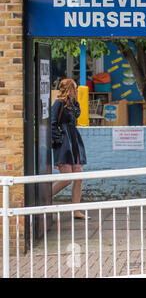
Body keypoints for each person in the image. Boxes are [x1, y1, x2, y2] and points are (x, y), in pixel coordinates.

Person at [51, 79, 88, 220]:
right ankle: (43, 199)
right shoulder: (58, 104)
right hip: (64, 144)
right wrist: (59, 139)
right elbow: (52, 123)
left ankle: (76, 210)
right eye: (74, 88)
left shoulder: (73, 105)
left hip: (74, 142)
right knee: (67, 179)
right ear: (69, 89)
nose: (76, 91)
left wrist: (75, 102)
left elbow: (76, 117)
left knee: (78, 177)